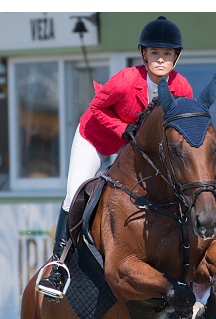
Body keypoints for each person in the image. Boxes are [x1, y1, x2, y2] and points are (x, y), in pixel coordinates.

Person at [37, 16, 193, 298]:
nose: (160, 59)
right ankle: (59, 268)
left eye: (167, 54)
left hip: (134, 150)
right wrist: (124, 129)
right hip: (95, 139)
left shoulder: (181, 87)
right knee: (74, 196)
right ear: (144, 54)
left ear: (176, 57)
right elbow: (96, 107)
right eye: (155, 53)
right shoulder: (125, 80)